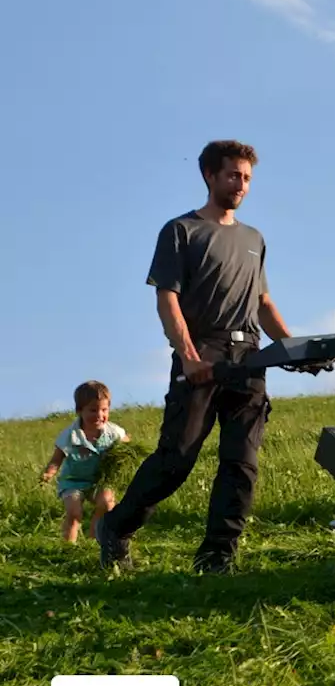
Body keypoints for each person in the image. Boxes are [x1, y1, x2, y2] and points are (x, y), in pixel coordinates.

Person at [96, 139, 293, 574]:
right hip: (202, 351)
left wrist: (292, 347)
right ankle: (116, 527)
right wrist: (187, 356)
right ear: (209, 175)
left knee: (242, 462)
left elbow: (263, 302)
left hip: (249, 356)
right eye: (233, 175)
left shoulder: (254, 238)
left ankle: (216, 556)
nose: (241, 185)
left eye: (247, 178)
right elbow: (167, 299)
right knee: (177, 459)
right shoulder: (180, 231)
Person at [41, 380, 130, 543]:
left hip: (101, 480)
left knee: (106, 503)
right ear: (79, 411)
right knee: (74, 513)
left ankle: (93, 541)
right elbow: (57, 458)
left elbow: (127, 443)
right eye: (93, 410)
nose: (99, 415)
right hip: (73, 482)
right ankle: (68, 547)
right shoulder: (70, 435)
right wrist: (49, 473)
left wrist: (128, 449)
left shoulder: (113, 432)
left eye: (104, 410)